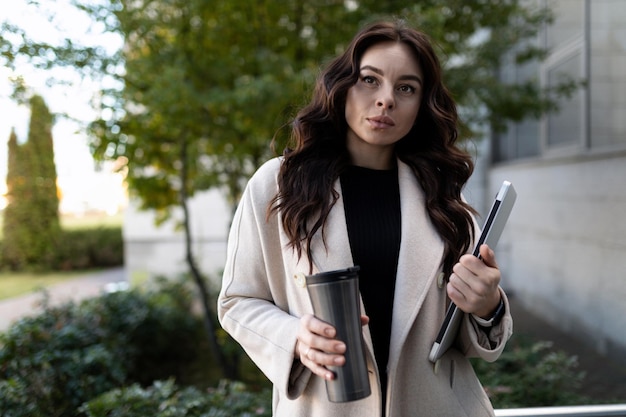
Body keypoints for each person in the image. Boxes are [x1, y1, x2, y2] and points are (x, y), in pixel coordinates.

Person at [217, 20, 513, 417]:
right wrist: (295, 338)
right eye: (370, 80)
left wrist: (487, 305)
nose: (386, 99)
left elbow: (465, 338)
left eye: (406, 88)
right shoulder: (279, 184)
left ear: (421, 104)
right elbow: (237, 300)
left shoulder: (441, 192)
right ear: (341, 87)